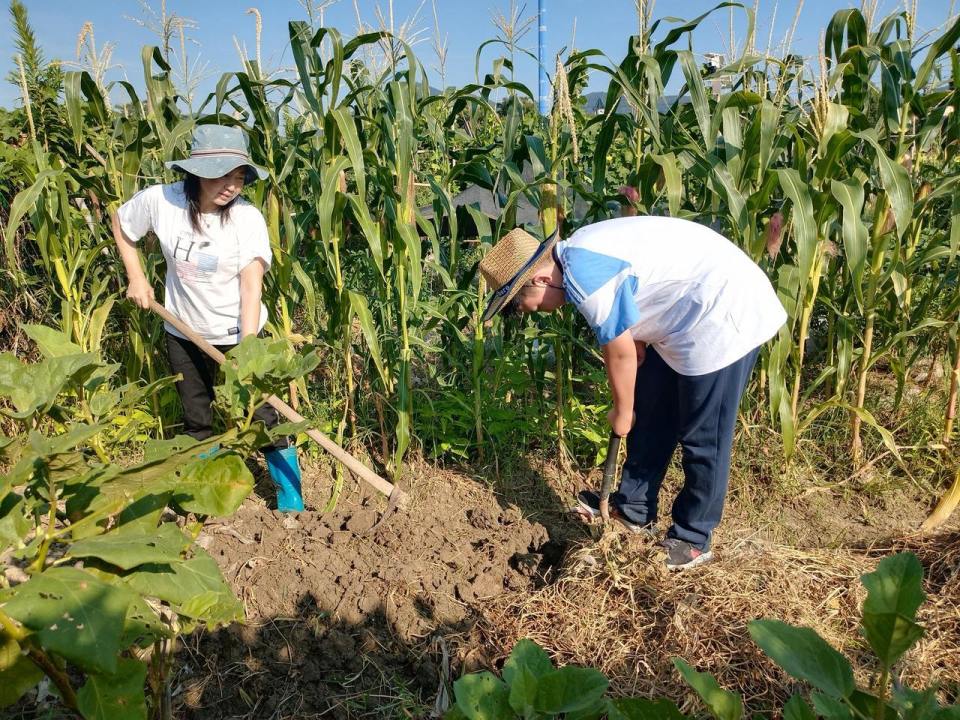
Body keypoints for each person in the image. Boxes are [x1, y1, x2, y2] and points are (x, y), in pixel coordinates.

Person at [479, 216, 787, 570]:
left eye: (520, 304)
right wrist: (638, 336)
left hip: (724, 310)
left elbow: (621, 353)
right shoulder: (577, 255)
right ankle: (633, 509)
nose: (528, 312)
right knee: (655, 413)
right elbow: (643, 278)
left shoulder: (584, 276)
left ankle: (693, 538)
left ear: (541, 279)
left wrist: (622, 411)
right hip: (684, 314)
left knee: (704, 437)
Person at [111, 124, 304, 513]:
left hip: (237, 332)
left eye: (238, 176)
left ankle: (291, 498)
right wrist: (136, 277)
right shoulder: (161, 202)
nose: (231, 186)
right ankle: (199, 497)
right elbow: (121, 225)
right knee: (196, 418)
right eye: (222, 175)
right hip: (181, 330)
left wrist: (248, 349)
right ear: (196, 172)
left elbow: (252, 287)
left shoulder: (247, 219)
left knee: (264, 414)